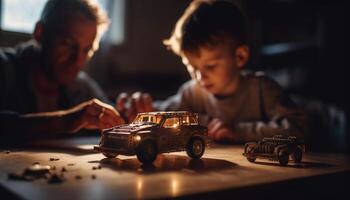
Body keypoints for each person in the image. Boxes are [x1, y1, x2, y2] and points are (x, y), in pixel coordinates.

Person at [118, 0, 307, 143]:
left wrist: (239, 131)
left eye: (210, 66)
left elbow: (301, 129)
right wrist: (138, 107)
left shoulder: (262, 89)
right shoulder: (191, 93)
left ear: (240, 57)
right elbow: (163, 112)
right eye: (192, 68)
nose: (200, 77)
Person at [0, 0, 124, 144]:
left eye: (87, 50)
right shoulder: (4, 68)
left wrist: (129, 112)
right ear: (40, 33)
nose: (78, 60)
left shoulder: (83, 88)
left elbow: (116, 123)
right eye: (68, 43)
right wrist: (62, 121)